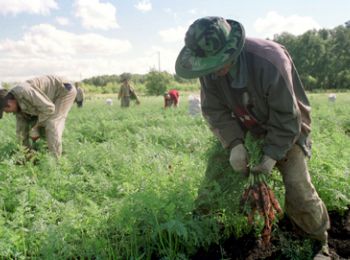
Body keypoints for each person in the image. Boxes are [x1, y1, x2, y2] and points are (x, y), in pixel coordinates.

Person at [175, 16, 330, 259]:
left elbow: (288, 118)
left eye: (219, 63)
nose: (215, 70)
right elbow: (215, 111)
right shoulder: (208, 68)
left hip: (286, 127)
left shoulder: (270, 61)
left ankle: (317, 243)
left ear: (232, 49)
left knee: (298, 186)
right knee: (214, 179)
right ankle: (201, 232)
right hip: (243, 126)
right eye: (209, 65)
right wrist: (234, 144)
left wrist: (270, 157)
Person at [0, 75, 77, 158]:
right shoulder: (16, 105)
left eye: (5, 110)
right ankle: (40, 155)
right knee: (38, 128)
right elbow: (21, 131)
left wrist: (36, 127)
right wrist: (25, 154)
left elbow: (49, 109)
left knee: (52, 123)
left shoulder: (24, 92)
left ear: (10, 103)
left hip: (63, 90)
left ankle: (56, 164)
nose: (7, 113)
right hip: (46, 101)